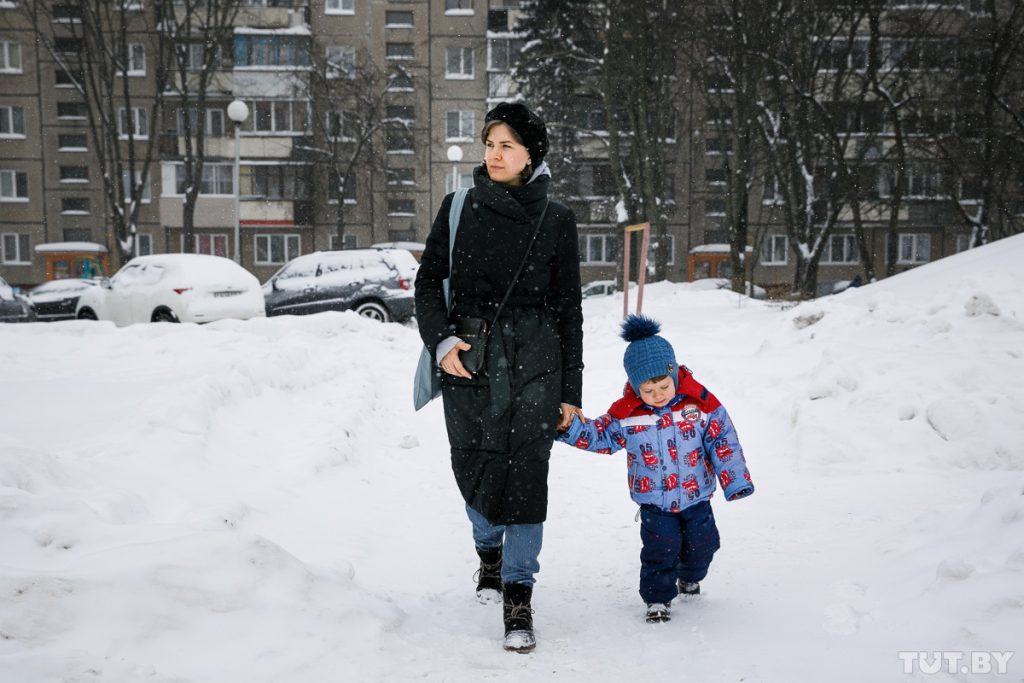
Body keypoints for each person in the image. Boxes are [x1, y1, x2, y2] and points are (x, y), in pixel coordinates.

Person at [414, 102, 584, 653]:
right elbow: (427, 281)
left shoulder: (556, 219)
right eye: (489, 143)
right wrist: (441, 342)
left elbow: (569, 309)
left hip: (537, 360)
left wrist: (571, 392)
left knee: (528, 474)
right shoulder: (458, 207)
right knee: (474, 465)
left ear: (531, 153)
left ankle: (518, 593)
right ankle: (488, 547)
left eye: (506, 145)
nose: (493, 154)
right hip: (471, 358)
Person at [557, 314, 754, 623]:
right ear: (636, 388)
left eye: (664, 386)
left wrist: (735, 480)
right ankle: (658, 599)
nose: (658, 395)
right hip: (654, 501)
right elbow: (602, 436)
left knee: (702, 545)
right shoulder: (628, 415)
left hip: (697, 495)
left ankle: (690, 575)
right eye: (648, 391)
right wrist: (569, 428)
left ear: (674, 376)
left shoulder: (699, 405)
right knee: (659, 550)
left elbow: (723, 440)